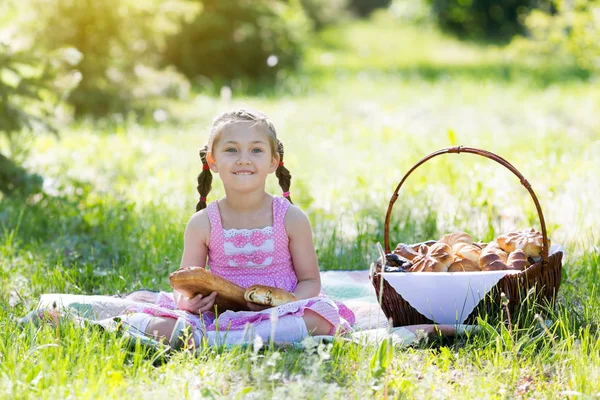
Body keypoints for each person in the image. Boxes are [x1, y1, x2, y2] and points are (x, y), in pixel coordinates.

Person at [121, 108, 355, 349]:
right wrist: (187, 303)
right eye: (231, 150)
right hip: (219, 315)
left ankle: (216, 343)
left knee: (322, 316)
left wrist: (287, 304)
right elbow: (184, 282)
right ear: (212, 161)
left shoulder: (291, 218)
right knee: (163, 323)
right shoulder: (203, 223)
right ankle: (233, 339)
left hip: (279, 315)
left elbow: (310, 281)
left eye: (256, 150)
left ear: (273, 161)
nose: (244, 159)